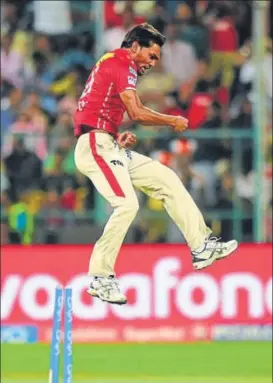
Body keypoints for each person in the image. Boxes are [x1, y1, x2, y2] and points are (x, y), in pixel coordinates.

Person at [74, 23, 238, 305]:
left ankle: (201, 246)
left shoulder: (114, 64)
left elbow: (97, 107)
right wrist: (171, 120)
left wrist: (113, 134)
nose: (152, 63)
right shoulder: (120, 62)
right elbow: (136, 111)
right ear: (134, 47)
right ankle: (101, 277)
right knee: (127, 205)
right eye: (151, 56)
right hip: (94, 145)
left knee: (167, 178)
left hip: (106, 142)